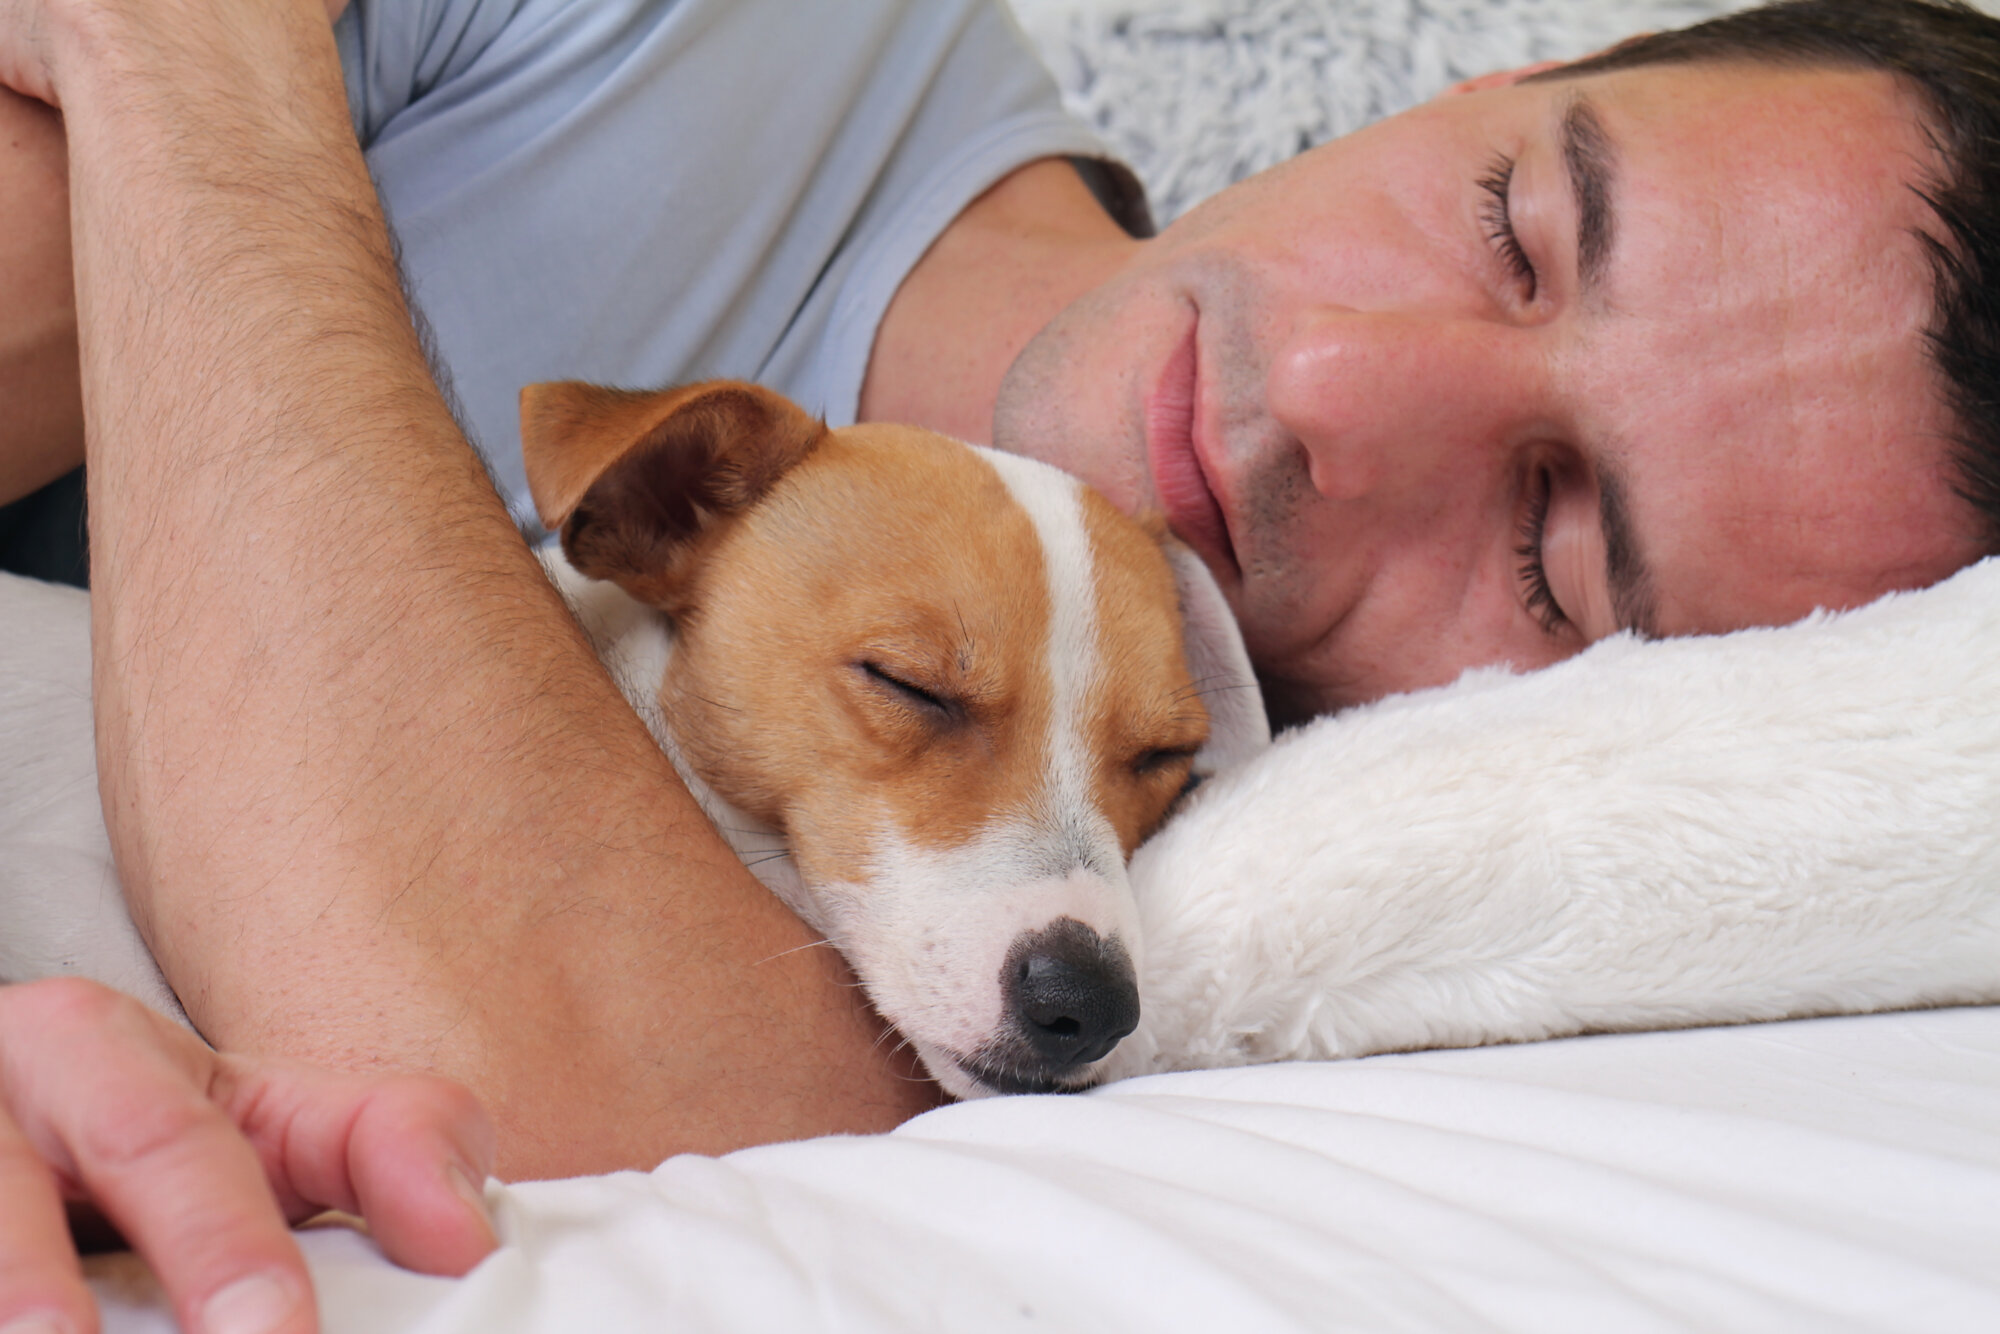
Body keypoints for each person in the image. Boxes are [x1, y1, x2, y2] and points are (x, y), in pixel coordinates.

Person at [3, 0, 1999, 1330]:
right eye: (1515, 226)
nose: (1325, 389)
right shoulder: (656, 31)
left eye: (1554, 547)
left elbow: (516, 1115)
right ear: (1478, 84)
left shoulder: (1092, 912)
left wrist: (190, 58)